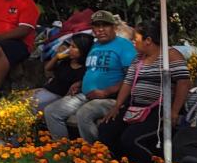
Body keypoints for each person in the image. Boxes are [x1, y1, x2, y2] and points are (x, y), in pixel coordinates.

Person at [98, 20, 192, 163]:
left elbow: (184, 83)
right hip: (135, 107)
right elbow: (128, 83)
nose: (133, 43)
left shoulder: (171, 55)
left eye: (135, 39)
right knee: (106, 129)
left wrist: (174, 111)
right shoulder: (138, 58)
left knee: (131, 139)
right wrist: (117, 105)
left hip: (159, 109)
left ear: (148, 40)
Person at [43, 10, 135, 141]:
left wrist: (106, 91)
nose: (101, 30)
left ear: (114, 27)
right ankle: (63, 149)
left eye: (105, 25)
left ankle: (93, 155)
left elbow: (131, 76)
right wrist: (81, 83)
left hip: (110, 98)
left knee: (84, 114)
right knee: (52, 111)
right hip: (85, 95)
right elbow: (93, 70)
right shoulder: (95, 46)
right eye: (97, 26)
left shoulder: (123, 45)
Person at [33, 34, 93, 110]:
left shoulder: (84, 69)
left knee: (29, 105)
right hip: (47, 90)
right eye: (70, 46)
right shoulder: (66, 61)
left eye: (73, 47)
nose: (69, 49)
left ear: (83, 50)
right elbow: (47, 68)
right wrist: (56, 57)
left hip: (57, 96)